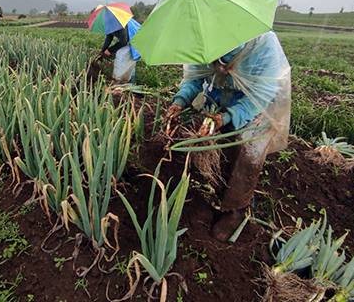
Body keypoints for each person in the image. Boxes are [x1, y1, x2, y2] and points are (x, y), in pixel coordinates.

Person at [166, 30, 291, 240]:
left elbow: (263, 92)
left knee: (246, 157)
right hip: (218, 100)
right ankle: (213, 193)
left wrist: (229, 116)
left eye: (224, 60)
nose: (220, 67)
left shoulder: (262, 44)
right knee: (218, 150)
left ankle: (236, 210)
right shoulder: (201, 38)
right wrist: (179, 101)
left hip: (254, 106)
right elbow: (194, 78)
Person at [100, 19, 141, 83]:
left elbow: (124, 42)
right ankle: (125, 81)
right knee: (126, 61)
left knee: (128, 59)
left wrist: (110, 50)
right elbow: (109, 38)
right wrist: (103, 51)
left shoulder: (122, 23)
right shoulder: (110, 23)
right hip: (128, 40)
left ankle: (130, 83)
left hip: (135, 40)